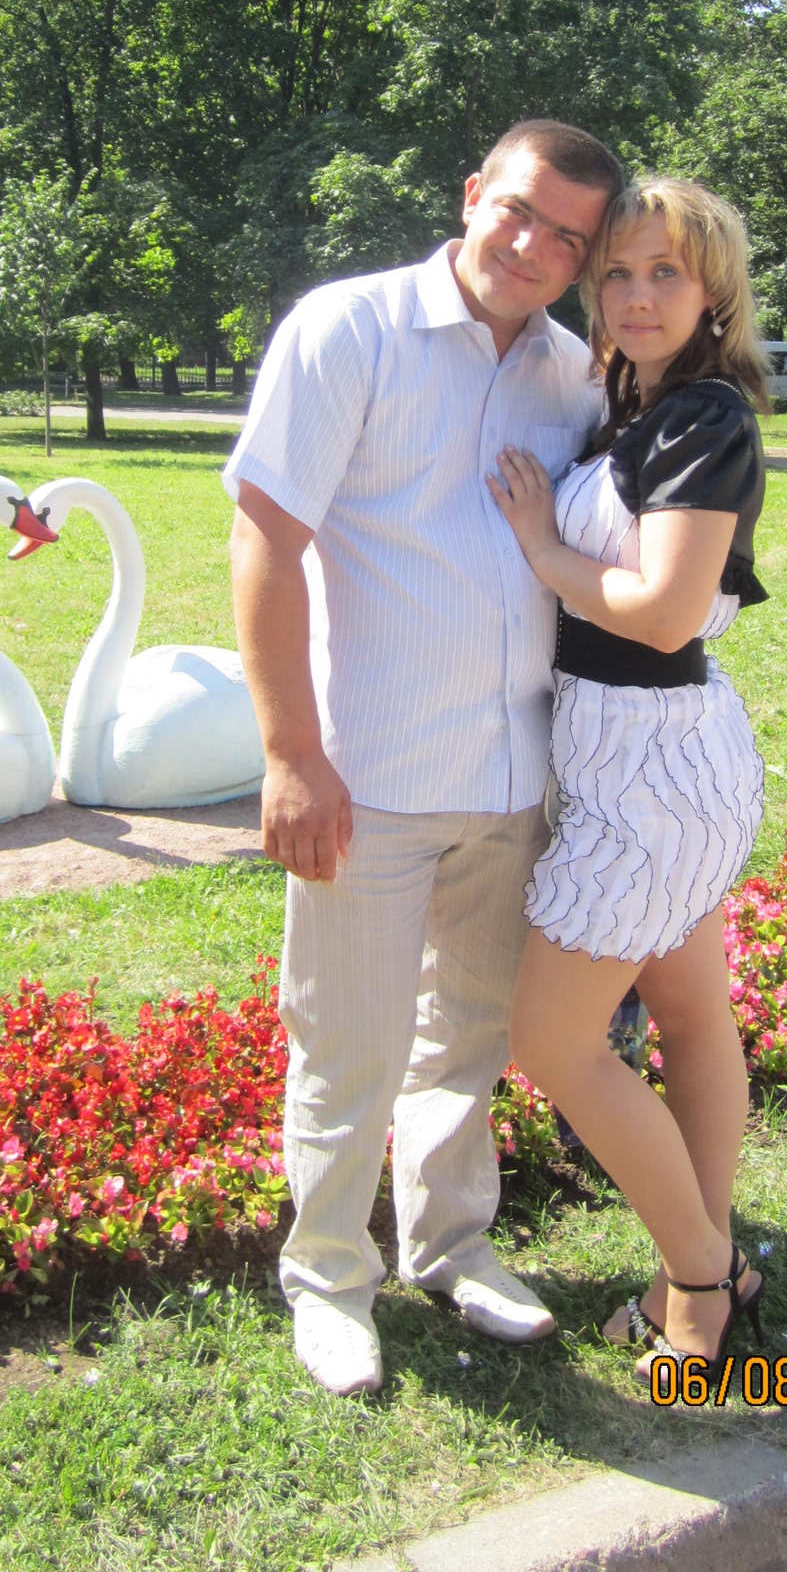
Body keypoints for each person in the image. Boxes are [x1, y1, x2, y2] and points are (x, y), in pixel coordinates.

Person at [224, 119, 622, 1395]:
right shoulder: (350, 330)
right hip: (371, 775)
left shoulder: (573, 374)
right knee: (347, 1044)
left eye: (568, 236)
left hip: (513, 775)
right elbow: (266, 538)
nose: (534, 245)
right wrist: (292, 753)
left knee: (468, 1036)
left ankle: (451, 1245)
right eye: (519, 209)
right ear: (472, 194)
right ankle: (330, 1277)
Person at [489, 175, 770, 1376]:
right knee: (693, 1016)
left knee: (550, 1040)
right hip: (640, 756)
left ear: (713, 290)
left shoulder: (704, 419)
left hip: (653, 769)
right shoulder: (637, 406)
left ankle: (698, 1277)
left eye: (665, 272)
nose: (636, 294)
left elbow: (660, 612)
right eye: (617, 271)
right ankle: (706, 1262)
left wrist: (541, 545)